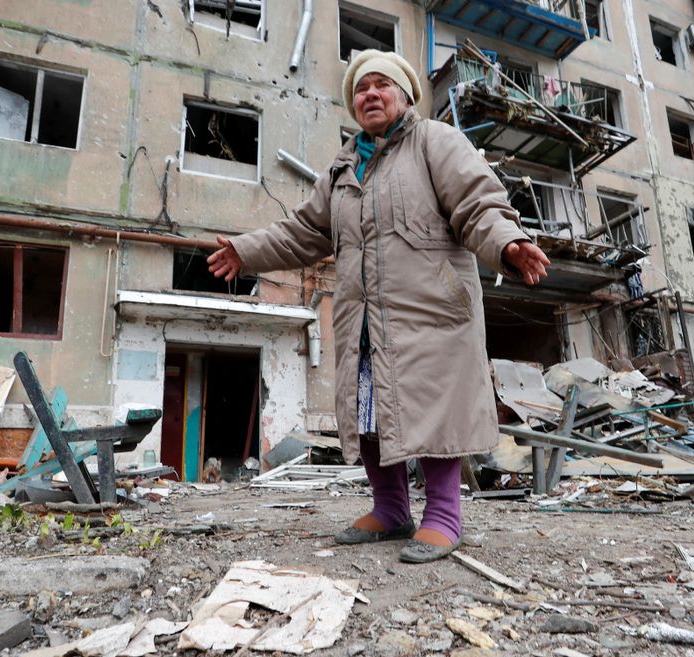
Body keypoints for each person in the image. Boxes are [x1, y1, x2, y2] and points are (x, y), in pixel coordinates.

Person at [208, 50, 549, 563]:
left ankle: (444, 515)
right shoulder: (343, 169)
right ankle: (390, 508)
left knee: (436, 406)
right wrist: (246, 249)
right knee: (367, 408)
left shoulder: (435, 142)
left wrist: (507, 243)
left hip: (434, 310)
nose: (370, 94)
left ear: (405, 96)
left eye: (381, 85)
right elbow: (303, 232)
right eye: (360, 88)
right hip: (364, 317)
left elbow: (478, 204)